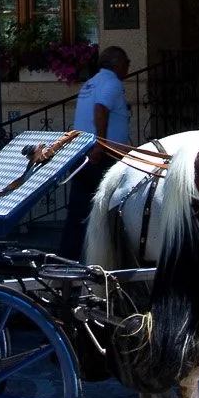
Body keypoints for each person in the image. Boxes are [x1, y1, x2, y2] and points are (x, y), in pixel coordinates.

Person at [59, 45, 131, 259]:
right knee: (111, 211)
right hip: (103, 156)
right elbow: (101, 109)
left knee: (79, 213)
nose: (128, 67)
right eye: (127, 63)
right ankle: (109, 257)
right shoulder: (112, 83)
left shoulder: (90, 83)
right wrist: (100, 143)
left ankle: (67, 259)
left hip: (83, 153)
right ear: (117, 64)